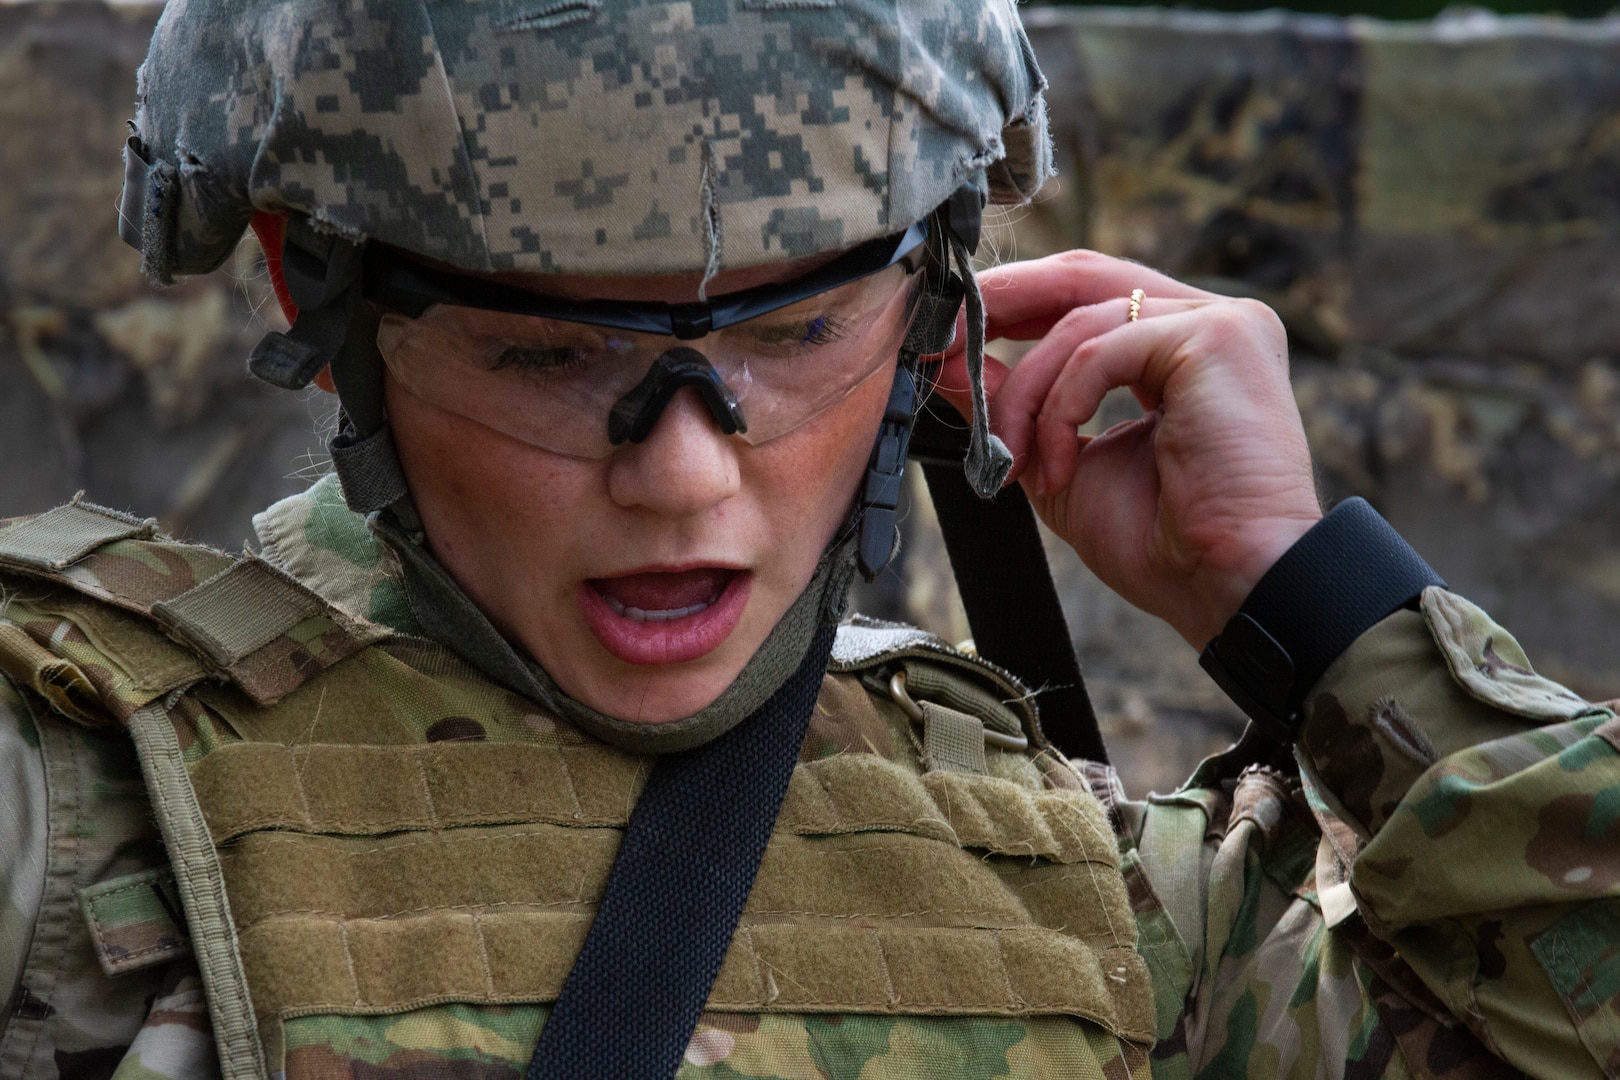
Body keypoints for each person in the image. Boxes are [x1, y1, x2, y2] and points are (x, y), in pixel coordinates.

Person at [0, 1, 1614, 1077]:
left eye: (803, 328)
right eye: (550, 359)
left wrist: (1324, 604)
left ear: (930, 312)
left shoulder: (1106, 897)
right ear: (315, 298)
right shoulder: (70, 817)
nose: (692, 480)